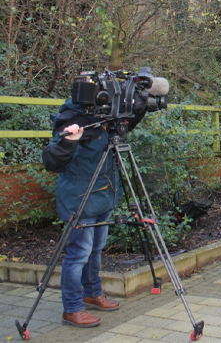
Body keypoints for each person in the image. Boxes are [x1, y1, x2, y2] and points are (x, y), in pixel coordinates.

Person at [42, 95, 147, 327]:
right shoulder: (73, 119)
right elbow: (51, 161)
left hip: (104, 195)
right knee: (79, 254)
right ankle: (72, 308)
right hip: (80, 198)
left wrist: (142, 105)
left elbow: (124, 127)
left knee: (96, 249)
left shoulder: (106, 119)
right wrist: (70, 141)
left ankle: (92, 293)